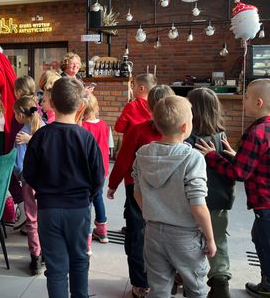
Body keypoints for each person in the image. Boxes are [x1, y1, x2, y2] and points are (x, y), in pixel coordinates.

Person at [196, 79, 270, 297]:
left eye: (246, 97)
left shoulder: (256, 134)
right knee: (261, 238)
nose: (243, 100)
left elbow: (239, 173)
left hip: (268, 203)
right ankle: (269, 281)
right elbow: (264, 161)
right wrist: (238, 156)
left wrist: (212, 156)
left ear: (258, 102)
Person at [24, 77, 104, 298]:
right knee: (79, 259)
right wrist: (87, 197)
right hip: (78, 208)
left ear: (51, 104)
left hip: (48, 209)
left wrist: (44, 189)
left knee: (56, 268)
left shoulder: (40, 136)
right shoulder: (86, 138)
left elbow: (29, 174)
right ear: (80, 106)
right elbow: (98, 177)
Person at [133, 95, 216, 297]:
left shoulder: (143, 154)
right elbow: (198, 205)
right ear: (185, 127)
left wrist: (153, 213)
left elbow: (137, 192)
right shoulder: (193, 158)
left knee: (158, 288)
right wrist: (210, 238)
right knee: (196, 288)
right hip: (186, 237)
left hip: (153, 232)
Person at [107, 84, 175, 298]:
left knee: (137, 235)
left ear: (149, 106)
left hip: (138, 190)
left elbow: (123, 160)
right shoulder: (180, 132)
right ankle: (168, 279)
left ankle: (140, 283)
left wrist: (113, 184)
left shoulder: (138, 130)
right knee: (168, 234)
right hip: (169, 192)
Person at [184, 88, 235, 298]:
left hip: (192, 201)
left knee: (188, 240)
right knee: (219, 239)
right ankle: (220, 281)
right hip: (220, 199)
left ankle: (183, 278)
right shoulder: (221, 136)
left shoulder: (187, 138)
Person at [12, 96, 45, 275]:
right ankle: (46, 252)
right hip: (48, 183)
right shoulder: (45, 127)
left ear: (21, 115)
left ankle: (36, 257)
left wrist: (19, 176)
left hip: (29, 182)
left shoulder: (21, 135)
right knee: (45, 218)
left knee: (32, 219)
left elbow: (18, 165)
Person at [81, 94, 110, 252]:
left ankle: (86, 241)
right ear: (97, 108)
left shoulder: (82, 126)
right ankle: (102, 230)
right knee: (98, 197)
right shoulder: (104, 125)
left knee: (87, 203)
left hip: (87, 170)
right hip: (102, 169)